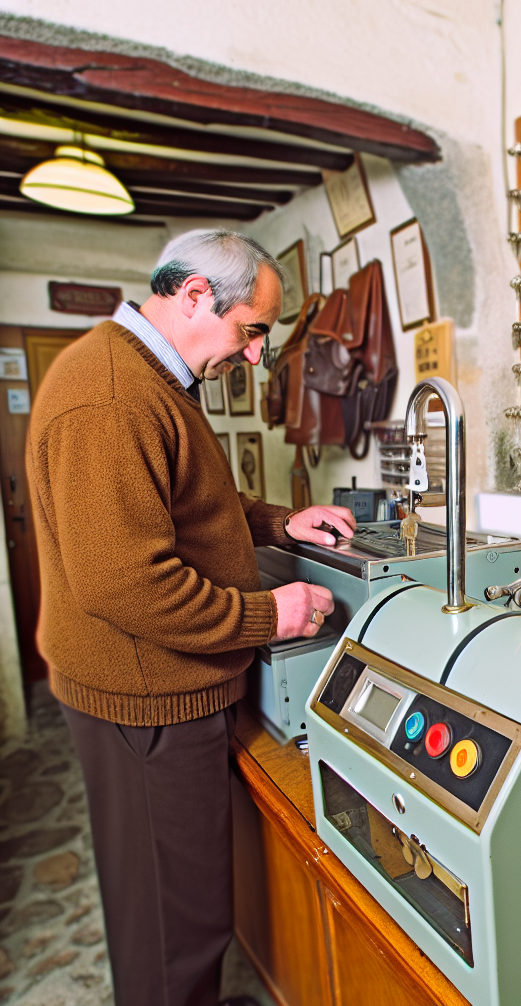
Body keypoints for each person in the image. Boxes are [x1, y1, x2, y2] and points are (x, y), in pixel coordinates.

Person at [26, 229, 359, 1006]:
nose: (252, 356)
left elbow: (189, 507)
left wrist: (280, 525)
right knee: (173, 922)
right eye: (252, 332)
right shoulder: (111, 395)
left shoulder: (149, 378)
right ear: (196, 297)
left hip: (151, 691)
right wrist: (266, 616)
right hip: (145, 702)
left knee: (175, 903)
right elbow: (126, 582)